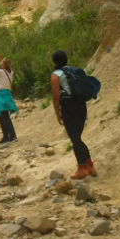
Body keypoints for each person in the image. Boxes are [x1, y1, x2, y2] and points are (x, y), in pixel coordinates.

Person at [50, 50, 97, 179]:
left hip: (69, 107)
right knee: (77, 137)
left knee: (75, 138)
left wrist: (58, 114)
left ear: (54, 62)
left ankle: (82, 168)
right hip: (81, 105)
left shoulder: (55, 75)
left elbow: (55, 96)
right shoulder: (76, 70)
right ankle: (90, 166)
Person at [0, 54, 18, 143]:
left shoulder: (0, 72)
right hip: (7, 95)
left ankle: (11, 136)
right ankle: (7, 136)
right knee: (4, 116)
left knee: (3, 116)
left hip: (1, 96)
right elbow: (5, 65)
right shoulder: (10, 72)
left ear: (4, 65)